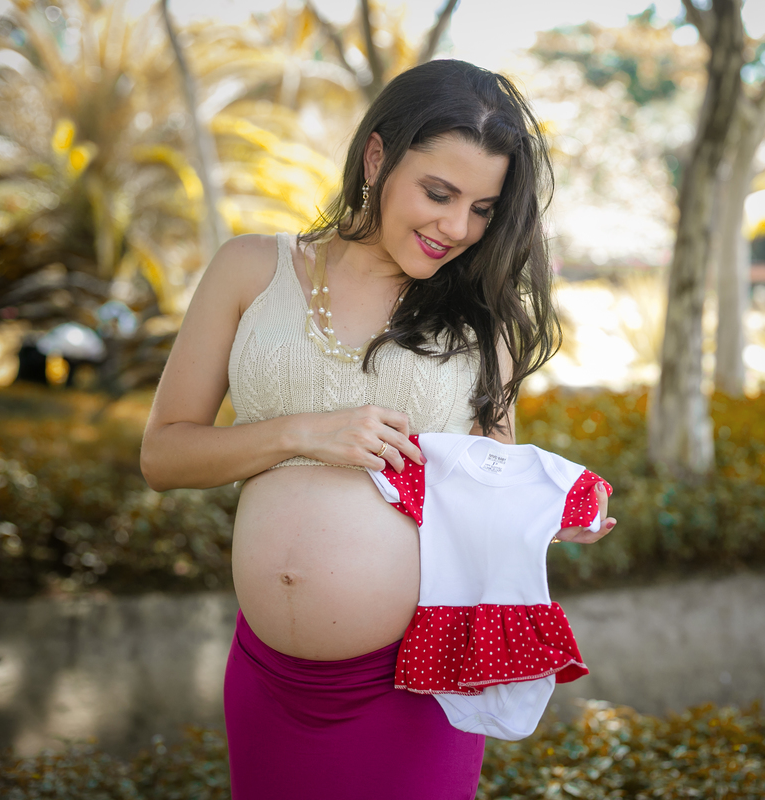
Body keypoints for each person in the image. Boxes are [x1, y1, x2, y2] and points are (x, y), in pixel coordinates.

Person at [139, 59, 617, 799]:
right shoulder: (248, 269)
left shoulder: (481, 320)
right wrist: (302, 433)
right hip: (265, 677)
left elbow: (491, 485)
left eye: (483, 209)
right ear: (376, 156)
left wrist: (542, 514)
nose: (456, 228)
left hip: (413, 683)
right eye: (438, 193)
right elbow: (164, 454)